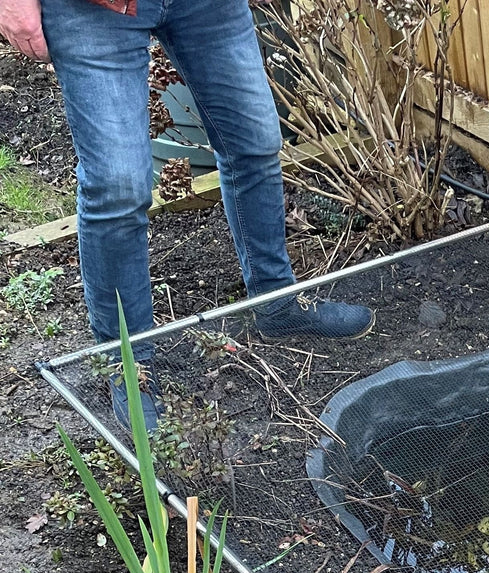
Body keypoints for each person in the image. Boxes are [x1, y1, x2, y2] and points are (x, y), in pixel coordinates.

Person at [0, 0, 374, 424]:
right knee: (118, 187)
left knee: (254, 140)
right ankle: (127, 362)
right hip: (89, 10)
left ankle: (277, 304)